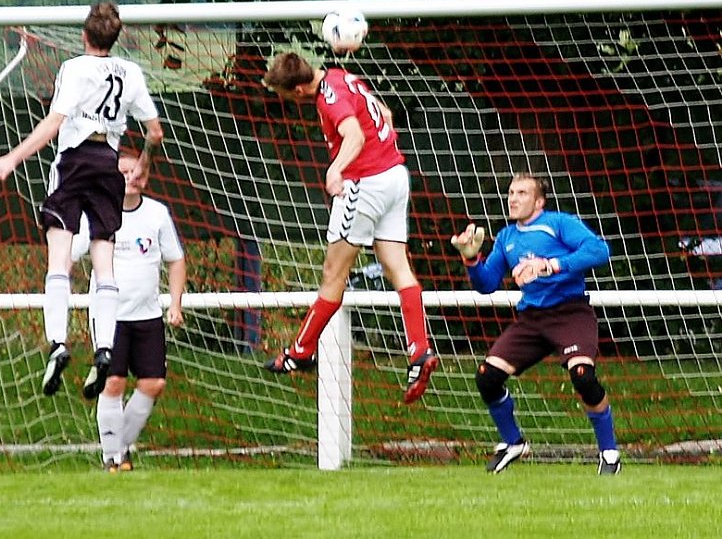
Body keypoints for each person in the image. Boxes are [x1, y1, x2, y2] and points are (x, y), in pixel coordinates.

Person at [0, 1, 164, 399]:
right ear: (115, 37)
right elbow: (154, 132)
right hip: (109, 164)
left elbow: (55, 122)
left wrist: (11, 159)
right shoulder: (131, 72)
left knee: (59, 260)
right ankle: (104, 349)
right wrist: (141, 166)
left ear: (84, 36)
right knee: (104, 264)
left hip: (74, 162)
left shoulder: (75, 68)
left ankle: (59, 344)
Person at [261, 52, 438, 404]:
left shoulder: (329, 99)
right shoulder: (341, 76)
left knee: (333, 274)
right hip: (394, 176)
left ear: (297, 90)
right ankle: (419, 350)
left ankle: (300, 351)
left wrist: (335, 170)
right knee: (397, 267)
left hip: (364, 184)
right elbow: (384, 113)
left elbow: (354, 136)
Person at [450, 172, 621, 475]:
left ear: (539, 201)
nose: (513, 198)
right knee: (486, 376)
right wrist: (471, 259)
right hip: (532, 320)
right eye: (511, 192)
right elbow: (487, 284)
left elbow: (599, 250)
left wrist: (550, 265)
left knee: (583, 376)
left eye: (522, 193)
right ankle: (513, 443)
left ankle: (609, 453)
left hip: (570, 314)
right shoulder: (506, 238)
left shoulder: (558, 223)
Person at [73, 154, 186, 472]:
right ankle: (114, 459)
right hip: (109, 315)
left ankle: (119, 447)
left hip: (147, 315)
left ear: (145, 177)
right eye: (123, 171)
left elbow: (175, 260)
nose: (131, 176)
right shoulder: (96, 212)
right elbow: (71, 250)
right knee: (114, 383)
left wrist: (175, 304)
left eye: (137, 171)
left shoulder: (157, 214)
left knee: (153, 384)